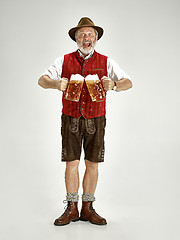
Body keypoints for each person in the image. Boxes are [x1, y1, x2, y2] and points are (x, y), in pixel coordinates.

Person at [38, 17, 132, 226]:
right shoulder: (63, 60)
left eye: (90, 34)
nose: (86, 37)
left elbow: (128, 83)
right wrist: (55, 84)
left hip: (96, 119)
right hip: (70, 117)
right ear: (76, 38)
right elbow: (41, 80)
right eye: (81, 34)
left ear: (96, 38)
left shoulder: (106, 61)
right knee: (72, 163)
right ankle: (71, 208)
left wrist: (114, 84)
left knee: (92, 164)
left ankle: (87, 208)